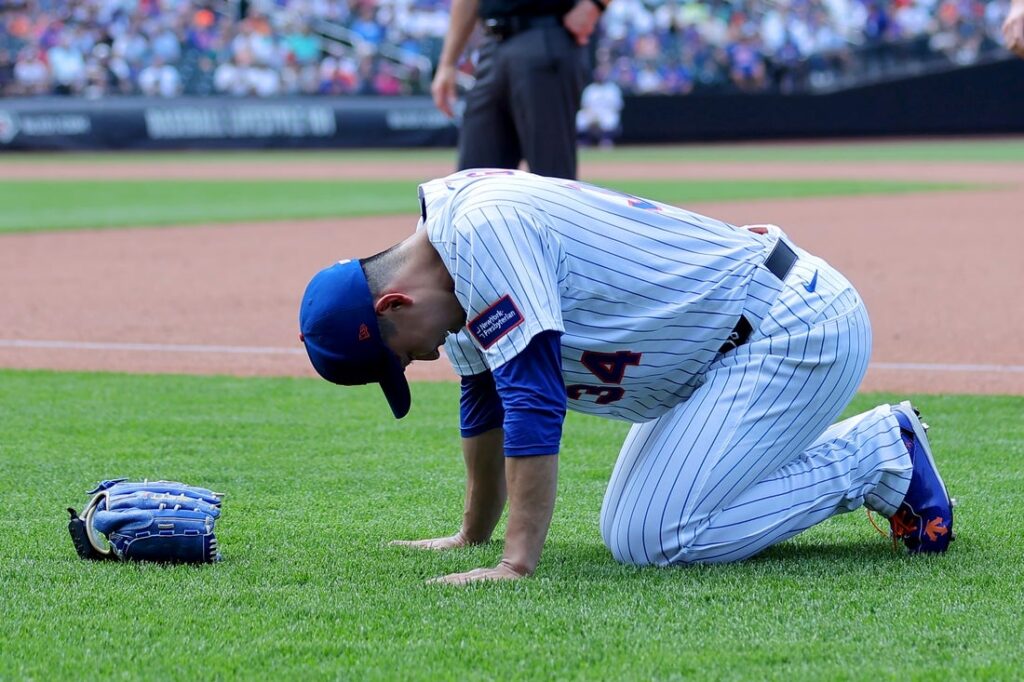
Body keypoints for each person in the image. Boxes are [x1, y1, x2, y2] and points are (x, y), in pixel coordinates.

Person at [298, 170, 955, 585]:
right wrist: (473, 535)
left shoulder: (482, 231)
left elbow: (532, 398)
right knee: (631, 533)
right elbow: (486, 400)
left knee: (657, 537)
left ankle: (877, 455)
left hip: (790, 328)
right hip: (720, 353)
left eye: (398, 357)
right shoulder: (451, 273)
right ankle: (868, 453)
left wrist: (515, 564)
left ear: (394, 304)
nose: (417, 362)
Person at [430, 0, 605, 179]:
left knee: (551, 178)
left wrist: (595, 5)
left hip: (545, 32)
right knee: (475, 181)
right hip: (492, 43)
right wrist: (447, 63)